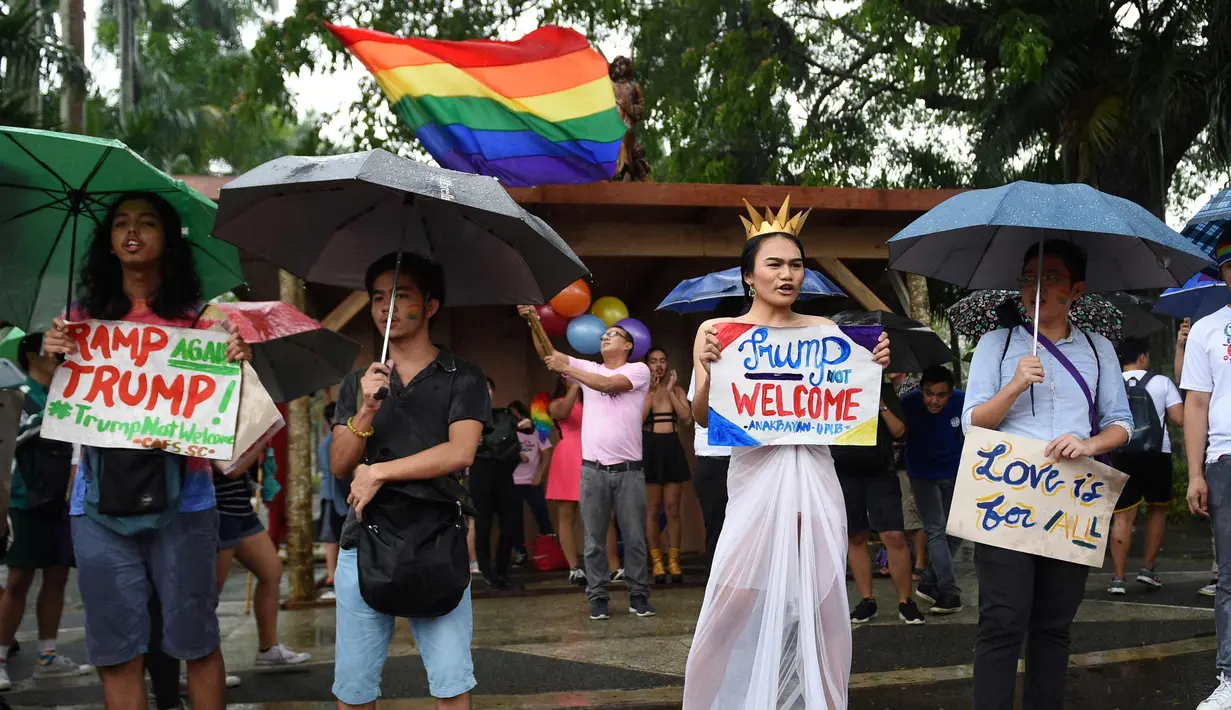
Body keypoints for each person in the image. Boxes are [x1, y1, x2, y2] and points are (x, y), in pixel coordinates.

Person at [42, 193, 252, 710]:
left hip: (189, 502)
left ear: (169, 239)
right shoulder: (78, 321)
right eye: (121, 224)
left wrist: (235, 361)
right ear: (109, 243)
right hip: (96, 506)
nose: (132, 232)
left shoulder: (202, 321)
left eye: (147, 223)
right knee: (117, 653)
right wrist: (53, 358)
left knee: (197, 642)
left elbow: (231, 412)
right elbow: (67, 403)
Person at [682, 198, 892, 708]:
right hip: (754, 479)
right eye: (774, 264)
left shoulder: (827, 333)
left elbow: (847, 404)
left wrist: (875, 365)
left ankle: (825, 701)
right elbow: (703, 418)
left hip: (816, 476)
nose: (787, 274)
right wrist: (708, 372)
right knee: (731, 602)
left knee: (824, 600)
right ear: (748, 276)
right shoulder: (717, 333)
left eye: (796, 264)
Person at [963, 239, 1131, 710]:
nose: (1036, 288)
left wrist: (1090, 444)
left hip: (1072, 499)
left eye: (1051, 278)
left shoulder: (1098, 351)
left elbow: (1122, 422)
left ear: (1076, 289)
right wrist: (1014, 384)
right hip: (1006, 495)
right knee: (1002, 619)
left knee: (1055, 624)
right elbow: (972, 423)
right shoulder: (996, 346)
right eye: (1029, 277)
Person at [330, 252, 486, 710]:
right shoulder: (358, 382)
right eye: (379, 297)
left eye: (402, 296)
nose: (387, 307)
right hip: (364, 540)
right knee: (354, 689)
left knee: (451, 685)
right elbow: (340, 464)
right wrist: (365, 410)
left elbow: (461, 451)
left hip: (437, 538)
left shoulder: (463, 375)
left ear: (431, 306)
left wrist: (379, 471)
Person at [519, 307, 654, 621]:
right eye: (604, 335)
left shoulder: (638, 371)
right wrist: (532, 321)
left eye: (613, 335)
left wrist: (570, 372)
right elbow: (548, 353)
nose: (606, 337)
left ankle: (638, 595)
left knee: (634, 537)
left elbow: (607, 385)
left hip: (629, 470)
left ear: (628, 346)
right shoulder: (588, 367)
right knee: (593, 539)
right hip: (592, 469)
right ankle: (598, 597)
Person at [0, 333, 90, 690]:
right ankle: (1, 656)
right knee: (18, 581)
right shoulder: (17, 392)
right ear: (31, 355)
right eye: (51, 351)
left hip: (61, 500)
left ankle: (48, 656)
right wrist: (51, 417)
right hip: (24, 500)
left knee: (57, 577)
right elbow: (15, 436)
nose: (58, 356)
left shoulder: (67, 391)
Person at [1182, 234, 1231, 710]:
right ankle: (1230, 675)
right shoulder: (1207, 329)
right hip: (1226, 461)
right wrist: (1194, 473)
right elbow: (1196, 404)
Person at [834, 381, 925, 625]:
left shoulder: (882, 387)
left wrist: (881, 404)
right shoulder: (832, 382)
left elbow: (901, 432)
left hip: (880, 471)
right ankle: (866, 600)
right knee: (855, 536)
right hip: (842, 469)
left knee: (894, 535)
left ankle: (905, 601)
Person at [214, 452, 311, 665]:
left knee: (271, 571)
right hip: (218, 514)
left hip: (242, 511)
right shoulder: (213, 424)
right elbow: (231, 468)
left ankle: (268, 648)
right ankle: (200, 668)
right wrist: (258, 438)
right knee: (208, 595)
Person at [1107, 336, 1183, 594]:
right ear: (1142, 357)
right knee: (1157, 512)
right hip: (1156, 455)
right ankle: (1148, 570)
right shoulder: (1161, 382)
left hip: (1120, 453)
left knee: (1122, 517)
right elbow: (1179, 418)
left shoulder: (1109, 382)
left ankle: (1118, 578)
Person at [896, 365, 966, 614]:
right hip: (923, 474)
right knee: (936, 530)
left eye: (940, 395)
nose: (933, 400)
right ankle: (948, 592)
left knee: (956, 531)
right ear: (921, 390)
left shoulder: (963, 400)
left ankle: (927, 582)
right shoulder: (907, 403)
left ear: (950, 393)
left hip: (955, 473)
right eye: (928, 393)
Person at [642, 347, 692, 584]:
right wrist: (651, 391)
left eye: (662, 360)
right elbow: (638, 420)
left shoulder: (678, 390)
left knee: (672, 509)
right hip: (651, 449)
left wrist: (671, 392)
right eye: (653, 361)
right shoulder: (642, 391)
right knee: (652, 510)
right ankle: (657, 562)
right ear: (647, 365)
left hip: (671, 448)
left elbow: (687, 418)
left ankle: (674, 561)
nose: (658, 365)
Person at [470, 377, 526, 590]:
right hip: (480, 472)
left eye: (487, 388)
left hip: (504, 472)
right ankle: (487, 572)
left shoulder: (503, 415)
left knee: (509, 523)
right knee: (483, 526)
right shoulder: (466, 417)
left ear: (493, 391)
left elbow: (527, 429)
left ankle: (502, 571)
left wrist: (528, 424)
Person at [687, 376, 730, 572]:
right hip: (713, 458)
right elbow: (698, 414)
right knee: (716, 528)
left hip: (748, 457)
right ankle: (716, 586)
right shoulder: (703, 361)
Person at [508, 400, 555, 563]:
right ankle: (520, 552)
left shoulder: (535, 431)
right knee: (514, 518)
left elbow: (547, 452)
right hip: (512, 481)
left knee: (541, 513)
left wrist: (540, 474)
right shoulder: (507, 432)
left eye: (517, 414)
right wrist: (515, 455)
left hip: (532, 481)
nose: (516, 418)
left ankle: (550, 548)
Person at [317, 402, 350, 600]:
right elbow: (334, 473)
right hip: (332, 497)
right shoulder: (330, 443)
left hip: (339, 497)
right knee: (331, 538)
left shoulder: (337, 439)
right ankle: (332, 576)